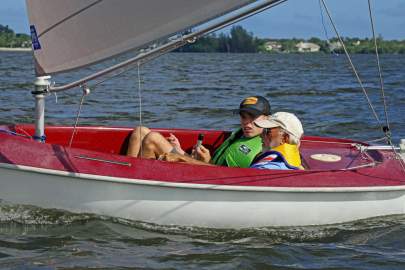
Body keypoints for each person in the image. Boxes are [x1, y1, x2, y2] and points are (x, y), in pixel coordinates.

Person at [127, 96, 271, 168]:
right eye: (244, 117)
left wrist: (185, 158)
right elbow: (212, 164)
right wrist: (181, 151)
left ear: (267, 119)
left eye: (253, 118)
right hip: (202, 168)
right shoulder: (239, 134)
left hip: (208, 181)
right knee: (140, 131)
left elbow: (227, 176)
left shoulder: (266, 145)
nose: (247, 123)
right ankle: (127, 176)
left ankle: (135, 181)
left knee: (152, 138)